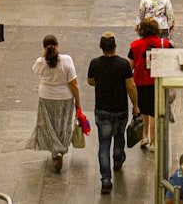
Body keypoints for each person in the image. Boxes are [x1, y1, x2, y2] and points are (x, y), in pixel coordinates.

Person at [87, 32, 140, 195]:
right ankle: (117, 160)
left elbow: (90, 81)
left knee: (104, 143)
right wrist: (136, 106)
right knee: (119, 136)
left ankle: (106, 180)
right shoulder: (123, 65)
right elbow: (130, 86)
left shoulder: (95, 63)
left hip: (102, 110)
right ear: (115, 46)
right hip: (120, 110)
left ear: (100, 47)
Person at [26, 34, 82, 173]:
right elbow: (73, 83)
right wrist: (78, 103)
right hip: (65, 97)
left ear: (44, 47)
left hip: (46, 97)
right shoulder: (67, 60)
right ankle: (60, 149)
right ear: (57, 44)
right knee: (63, 124)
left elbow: (36, 71)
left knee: (48, 124)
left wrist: (43, 56)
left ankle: (54, 149)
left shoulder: (41, 61)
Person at [127, 18, 172, 151]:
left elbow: (129, 66)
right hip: (157, 82)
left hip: (140, 82)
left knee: (143, 109)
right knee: (154, 113)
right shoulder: (164, 43)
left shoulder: (135, 45)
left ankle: (144, 136)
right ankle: (153, 142)